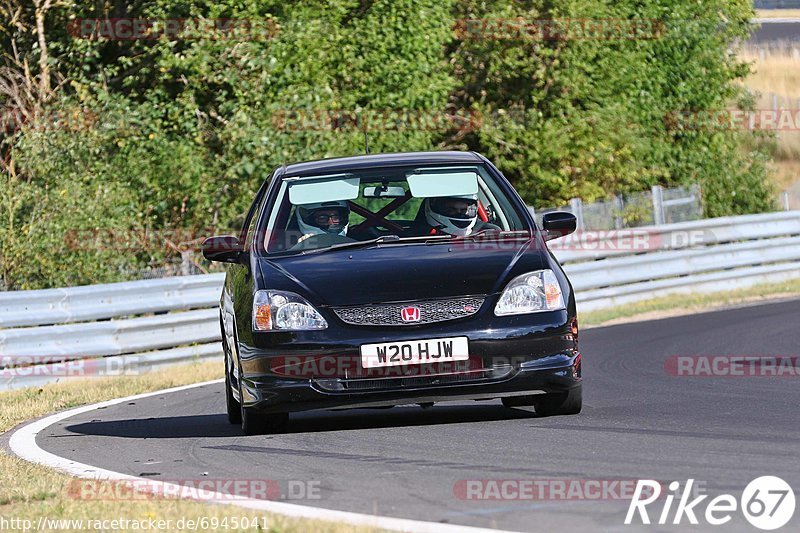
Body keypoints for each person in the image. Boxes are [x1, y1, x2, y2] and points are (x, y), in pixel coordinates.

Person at [410, 194, 499, 237]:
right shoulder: (416, 238)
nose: (460, 215)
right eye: (451, 210)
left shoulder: (487, 232)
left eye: (463, 211)